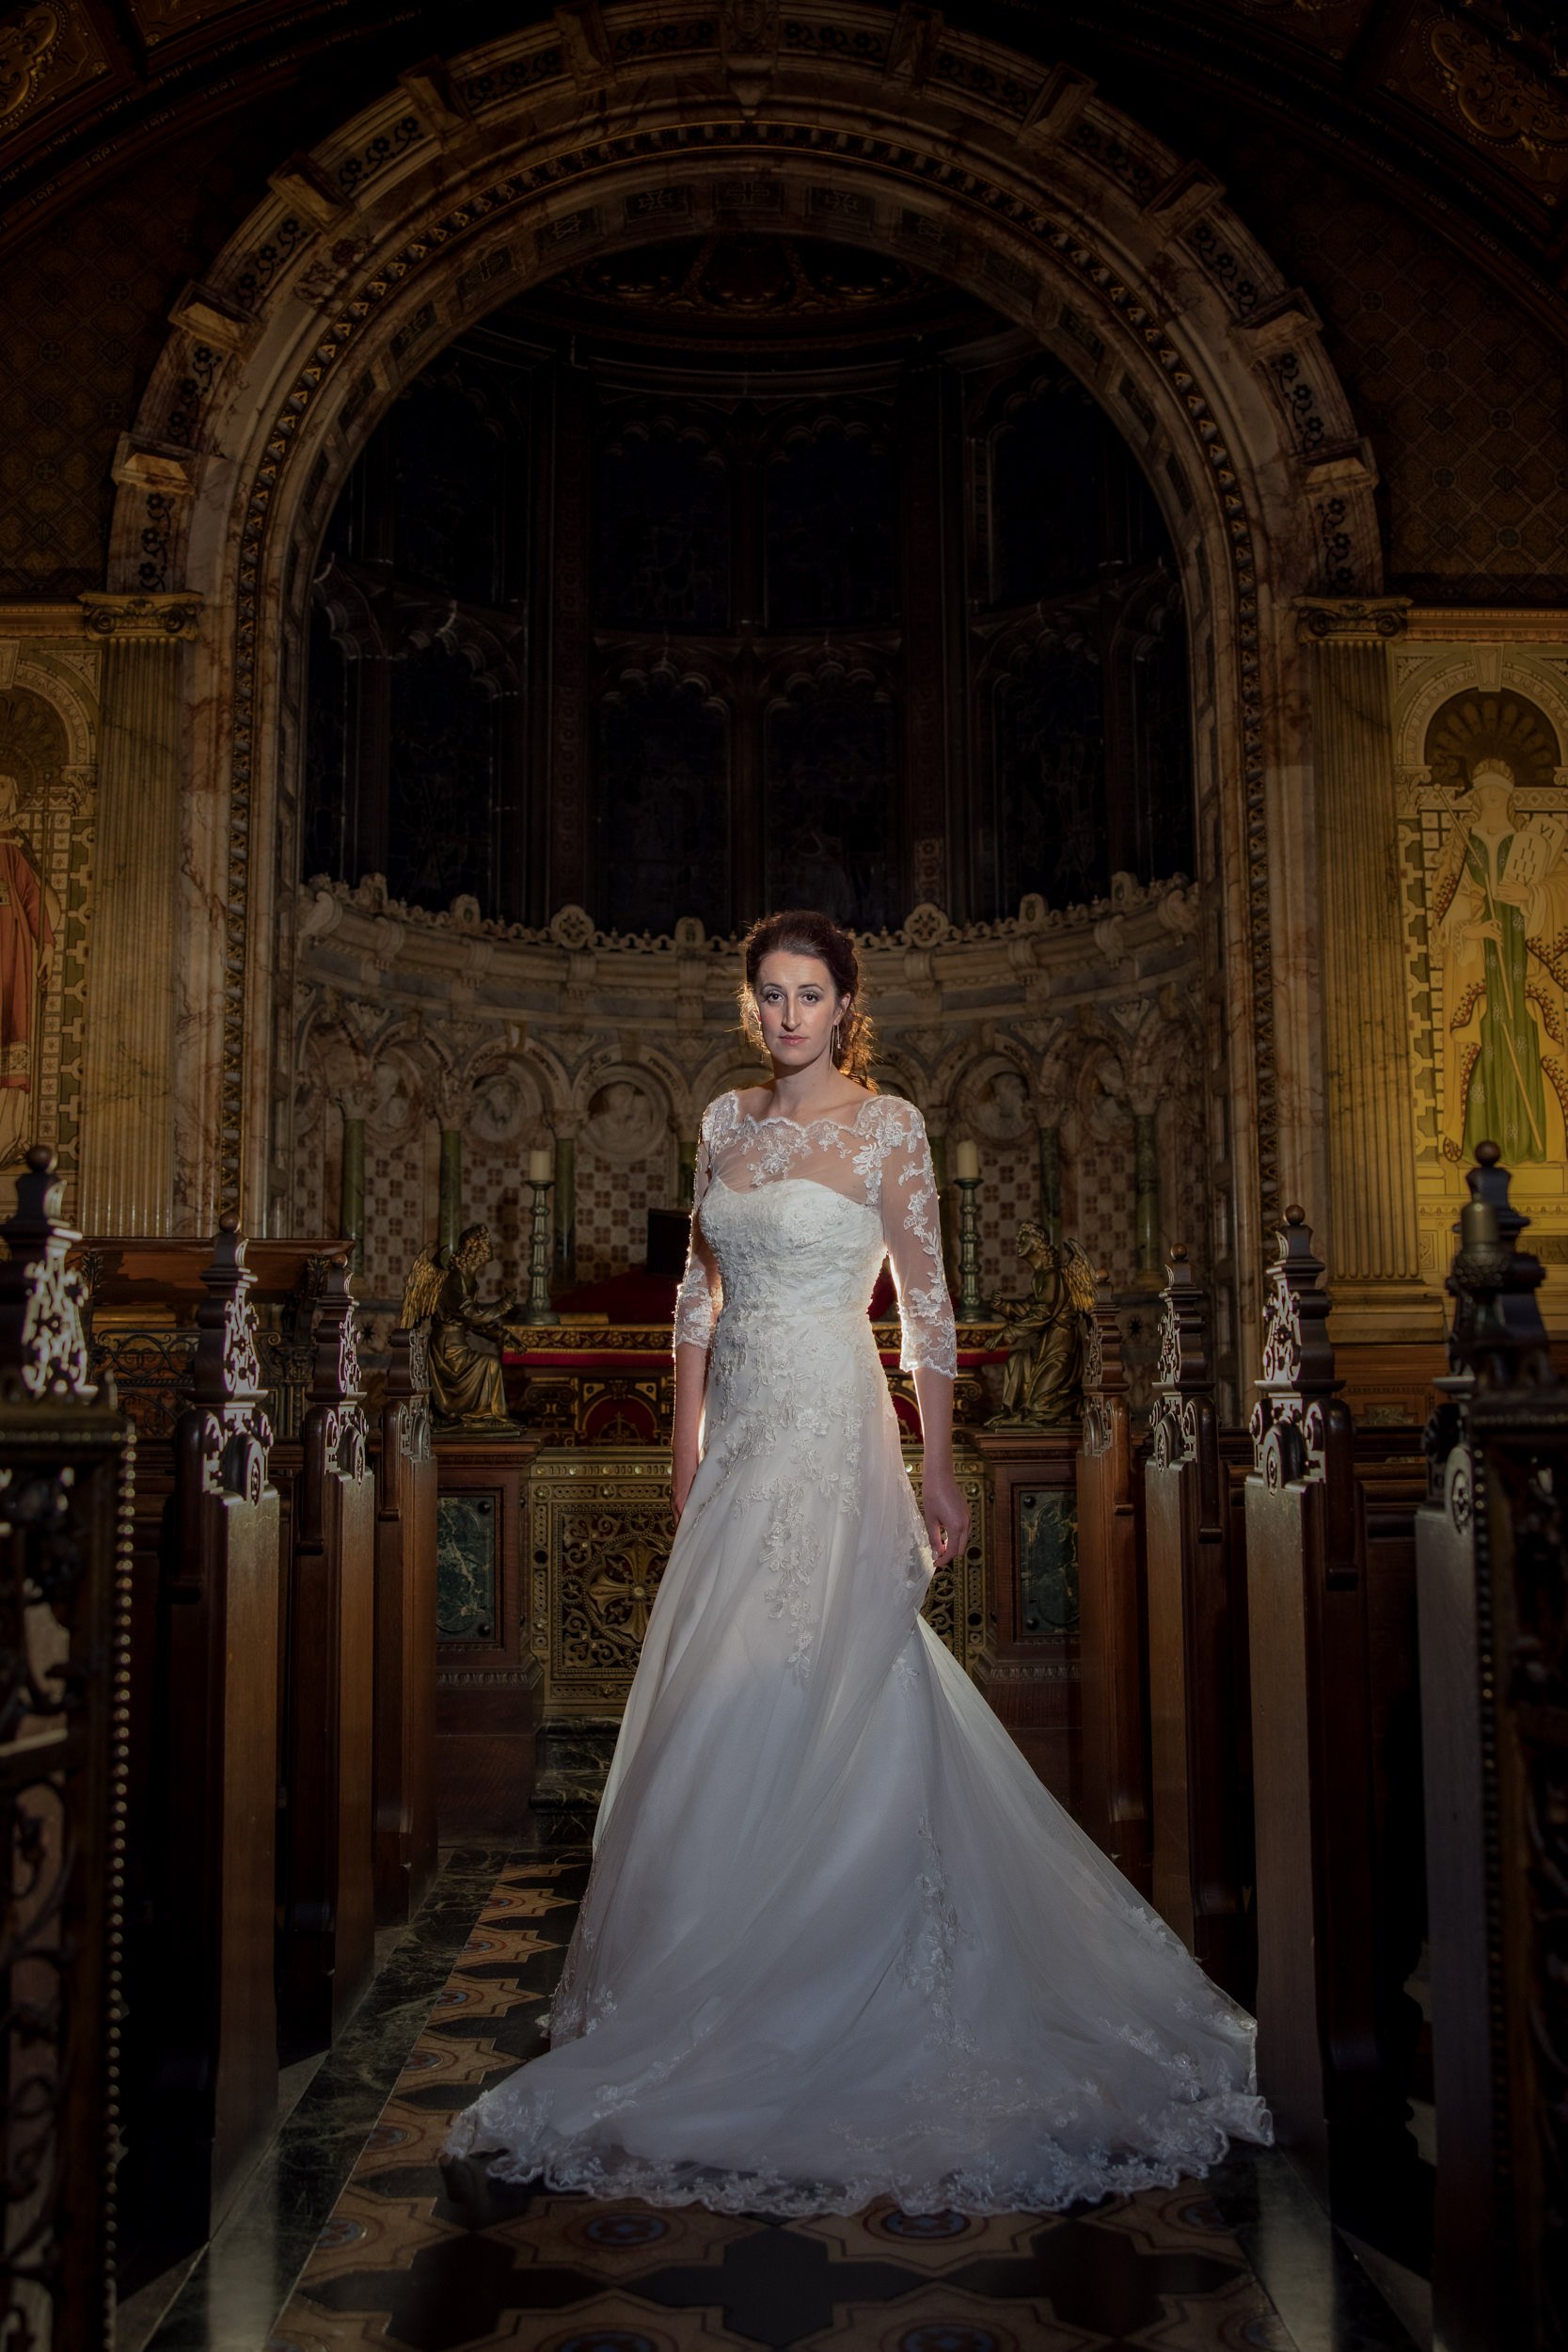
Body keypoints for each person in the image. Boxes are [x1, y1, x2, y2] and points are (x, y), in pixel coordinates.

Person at [446, 909, 1268, 2216]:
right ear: (750, 1002)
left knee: (847, 1675)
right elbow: (694, 1308)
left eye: (808, 994)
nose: (785, 1015)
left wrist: (936, 1465)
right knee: (724, 1694)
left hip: (838, 1425)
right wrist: (683, 1459)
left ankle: (861, 1966)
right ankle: (715, 1976)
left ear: (846, 1005)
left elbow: (928, 1311)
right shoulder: (722, 1123)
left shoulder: (889, 1130)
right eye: (768, 992)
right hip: (741, 1452)